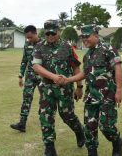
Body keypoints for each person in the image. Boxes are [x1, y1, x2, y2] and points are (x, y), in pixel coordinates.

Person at [61, 24, 122, 156]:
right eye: (82, 37)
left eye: (87, 36)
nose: (84, 39)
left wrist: (119, 90)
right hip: (91, 96)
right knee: (89, 127)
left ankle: (117, 141)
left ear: (95, 35)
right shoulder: (87, 55)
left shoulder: (109, 49)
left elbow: (118, 69)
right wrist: (68, 80)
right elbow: (85, 73)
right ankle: (92, 150)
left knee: (106, 126)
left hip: (107, 95)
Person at [32, 19, 85, 156]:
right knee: (46, 116)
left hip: (64, 89)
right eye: (47, 33)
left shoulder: (67, 46)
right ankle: (49, 147)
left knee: (67, 115)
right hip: (46, 88)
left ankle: (79, 131)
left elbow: (76, 67)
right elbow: (36, 66)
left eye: (53, 33)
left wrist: (79, 87)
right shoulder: (39, 46)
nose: (50, 36)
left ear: (59, 32)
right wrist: (53, 76)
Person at [10, 25, 42, 132]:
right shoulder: (27, 44)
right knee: (26, 98)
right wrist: (20, 76)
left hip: (43, 76)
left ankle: (44, 120)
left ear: (36, 33)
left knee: (45, 98)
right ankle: (22, 123)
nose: (29, 39)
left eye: (30, 37)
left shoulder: (44, 44)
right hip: (30, 76)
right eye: (27, 38)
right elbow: (24, 60)